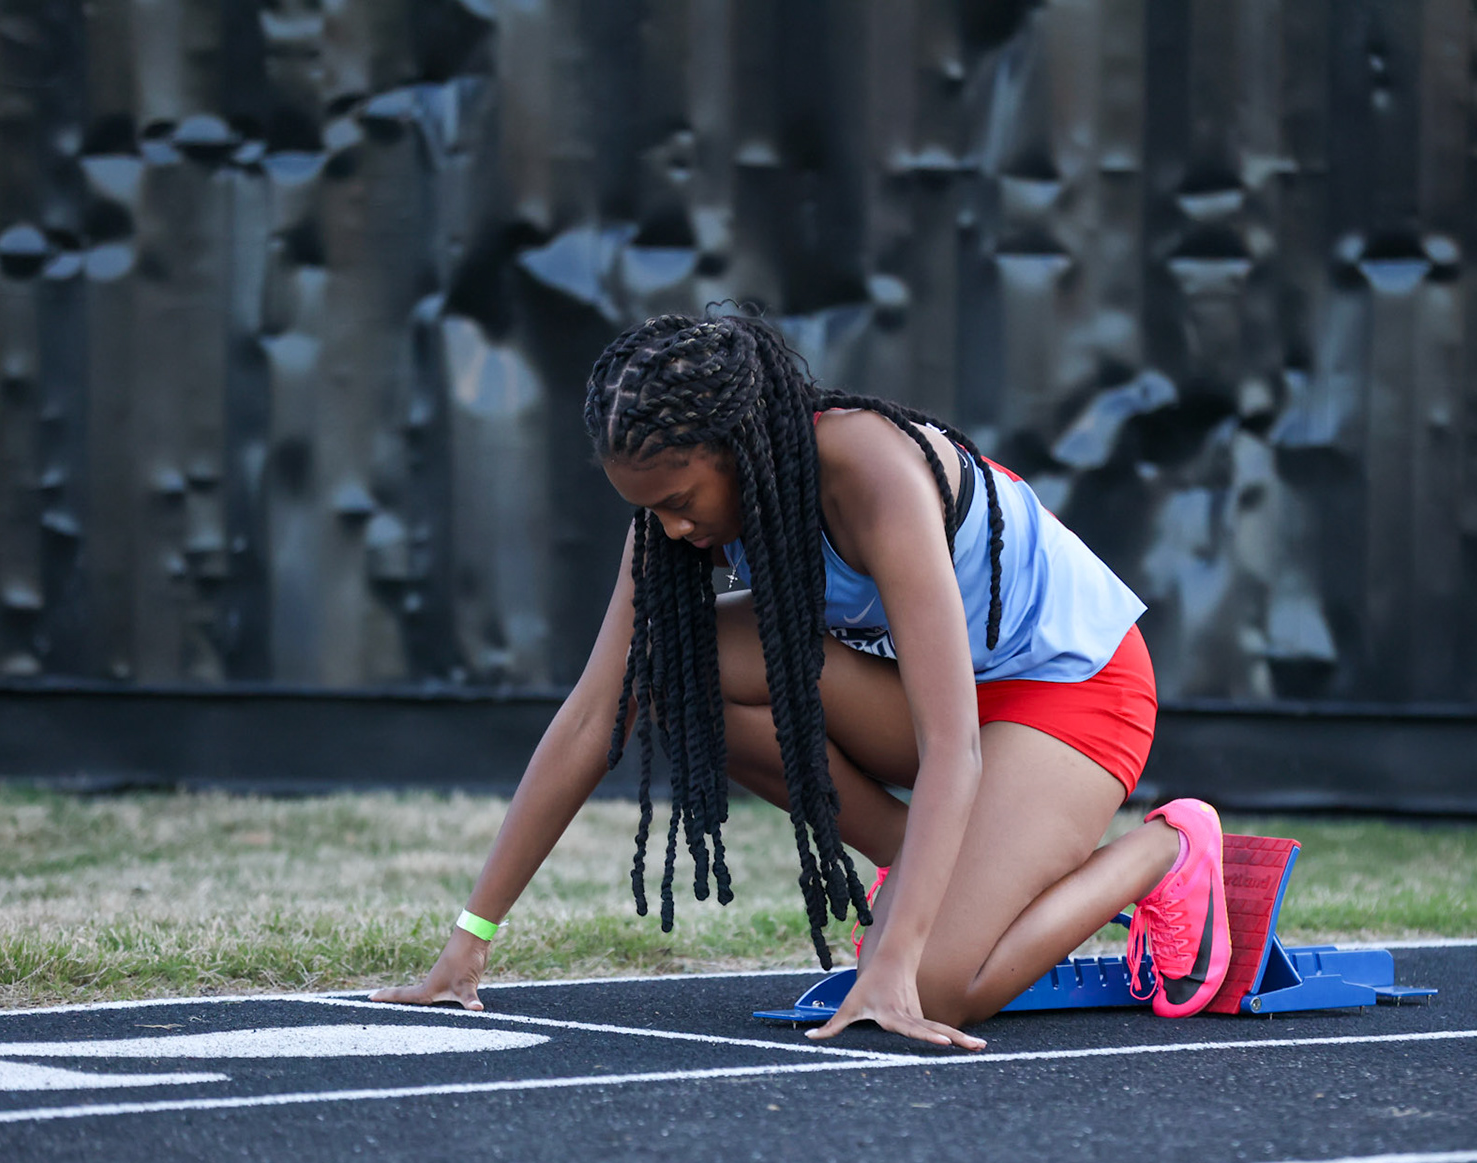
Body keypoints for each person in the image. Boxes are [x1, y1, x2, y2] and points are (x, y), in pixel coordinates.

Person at [373, 313, 1232, 1049]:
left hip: (1070, 694)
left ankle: (1167, 851)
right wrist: (469, 942)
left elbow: (949, 743)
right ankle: (929, 865)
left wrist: (898, 962)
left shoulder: (869, 472)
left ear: (742, 450)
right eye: (648, 509)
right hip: (931, 696)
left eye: (681, 502)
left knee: (931, 987)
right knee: (668, 662)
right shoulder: (675, 524)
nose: (670, 530)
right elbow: (592, 717)